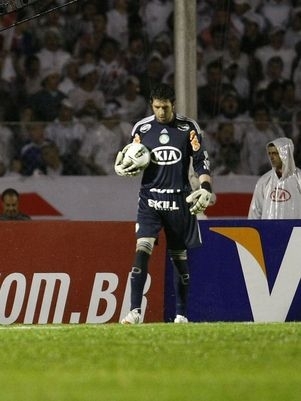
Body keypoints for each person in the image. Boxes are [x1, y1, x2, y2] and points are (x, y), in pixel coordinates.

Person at [114, 83, 212, 324]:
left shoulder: (188, 127)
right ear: (152, 105)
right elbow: (133, 157)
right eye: (157, 107)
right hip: (151, 198)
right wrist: (125, 168)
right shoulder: (142, 128)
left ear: (173, 105)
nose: (161, 112)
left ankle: (181, 315)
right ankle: (135, 311)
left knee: (179, 258)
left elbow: (200, 161)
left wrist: (206, 187)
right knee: (142, 248)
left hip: (180, 199)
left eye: (165, 107)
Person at [248, 137, 301, 219]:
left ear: (285, 153)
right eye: (270, 153)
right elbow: (255, 212)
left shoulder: (299, 178)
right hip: (269, 231)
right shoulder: (264, 181)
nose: (271, 157)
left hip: (295, 231)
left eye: (275, 153)